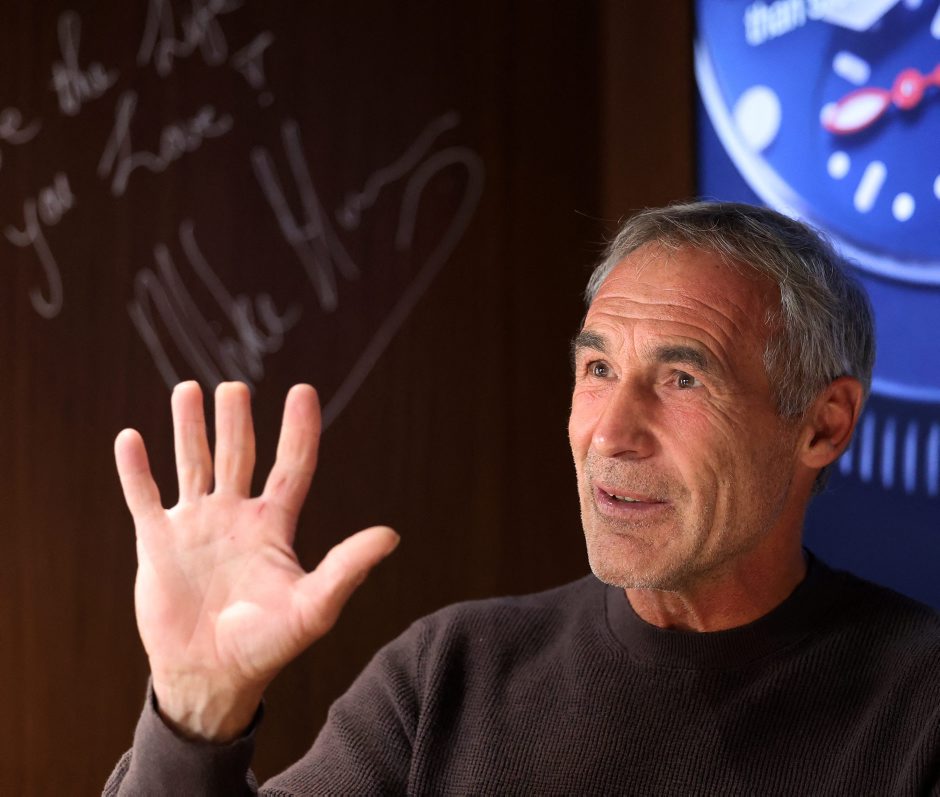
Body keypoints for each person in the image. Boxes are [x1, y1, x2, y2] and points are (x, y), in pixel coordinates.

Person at [105, 201, 940, 795]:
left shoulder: (919, 702)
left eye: (682, 378)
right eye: (598, 369)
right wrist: (195, 713)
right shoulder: (447, 673)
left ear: (824, 424)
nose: (611, 432)